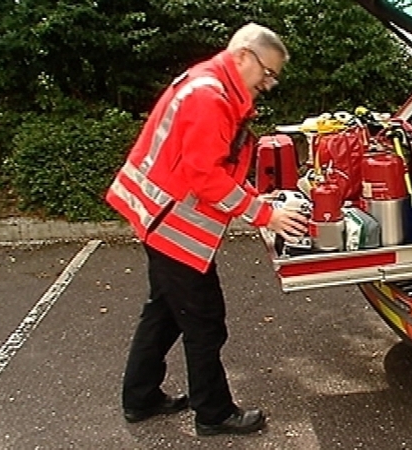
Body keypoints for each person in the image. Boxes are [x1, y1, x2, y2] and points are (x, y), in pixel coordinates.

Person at [106, 22, 308, 436]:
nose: (269, 84)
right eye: (267, 73)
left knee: (163, 313)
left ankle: (140, 398)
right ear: (244, 57)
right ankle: (213, 413)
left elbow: (221, 164)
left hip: (158, 216)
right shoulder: (210, 97)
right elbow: (206, 178)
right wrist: (263, 214)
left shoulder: (210, 84)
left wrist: (257, 200)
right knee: (204, 321)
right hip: (173, 225)